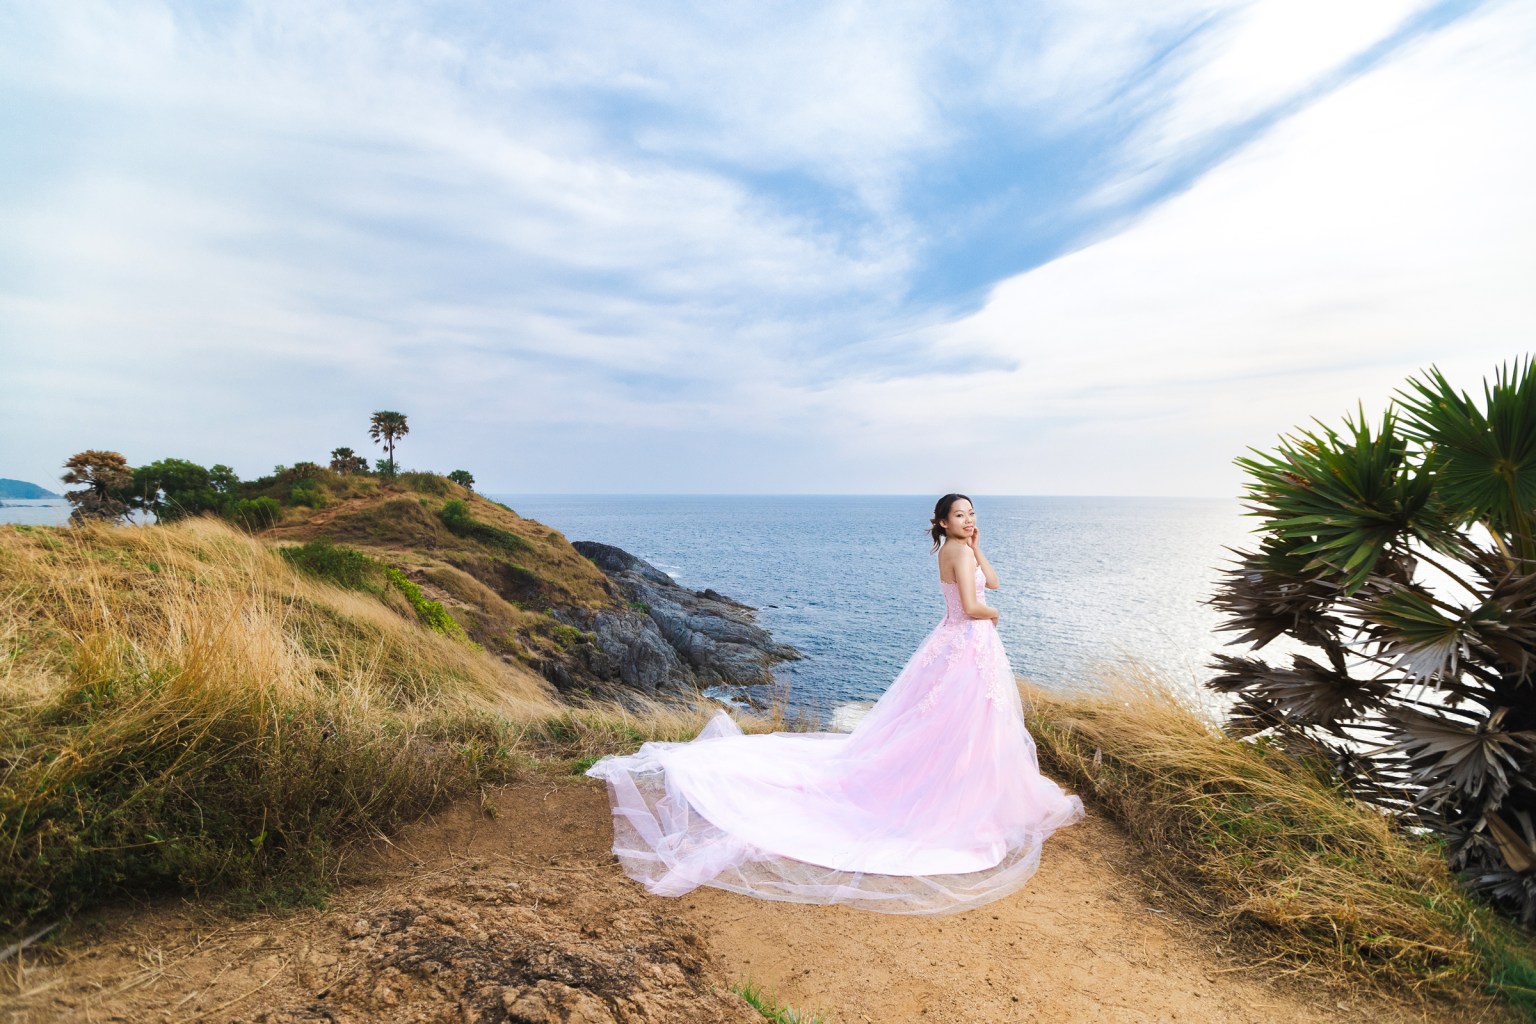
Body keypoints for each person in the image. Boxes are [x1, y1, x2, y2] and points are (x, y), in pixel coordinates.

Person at [585, 493, 1085, 915]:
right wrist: (993, 616)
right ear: (941, 522)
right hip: (967, 644)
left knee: (962, 725)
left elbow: (990, 581)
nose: (968, 520)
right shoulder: (953, 553)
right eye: (959, 516)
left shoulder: (963, 549)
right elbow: (978, 605)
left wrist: (981, 548)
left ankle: (965, 787)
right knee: (958, 724)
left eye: (971, 514)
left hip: (962, 645)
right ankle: (952, 794)